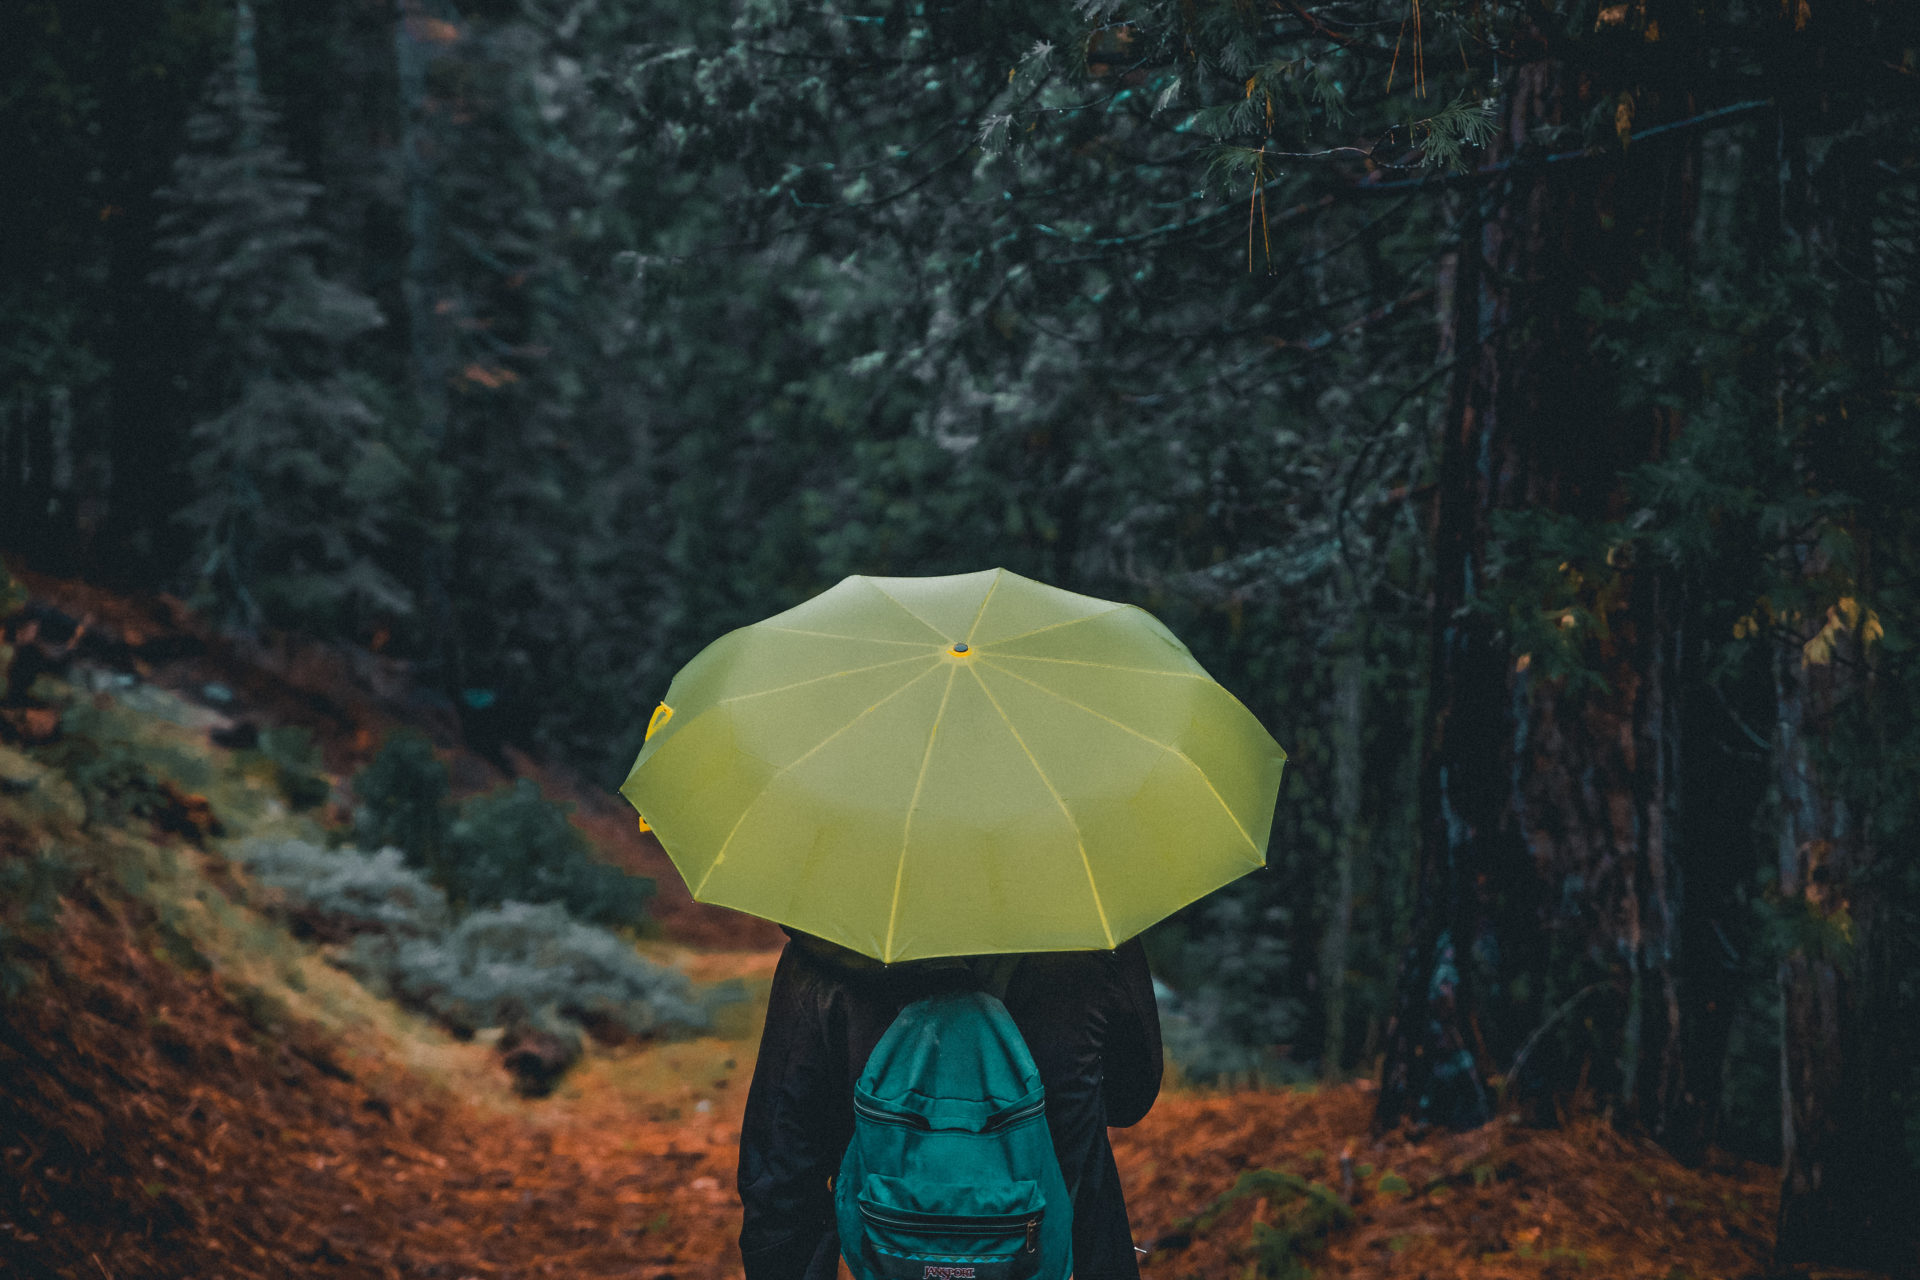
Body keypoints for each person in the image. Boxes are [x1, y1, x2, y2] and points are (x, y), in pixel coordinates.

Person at [737, 928, 1163, 1280]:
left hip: (891, 1256)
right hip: (1065, 1256)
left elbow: (780, 1175)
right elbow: (1130, 1099)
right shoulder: (1090, 936)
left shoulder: (826, 948)